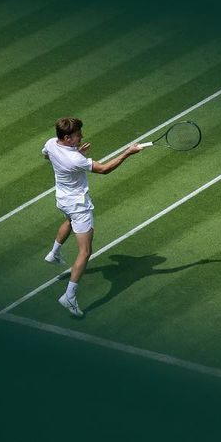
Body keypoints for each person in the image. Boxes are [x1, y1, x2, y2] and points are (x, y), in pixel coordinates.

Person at [41, 117, 143, 318]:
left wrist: (74, 153)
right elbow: (104, 169)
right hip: (78, 205)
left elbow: (48, 157)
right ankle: (69, 296)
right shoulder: (75, 160)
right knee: (85, 251)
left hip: (61, 198)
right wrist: (128, 153)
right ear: (68, 137)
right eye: (78, 135)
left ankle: (53, 254)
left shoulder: (51, 143)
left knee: (69, 220)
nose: (82, 137)